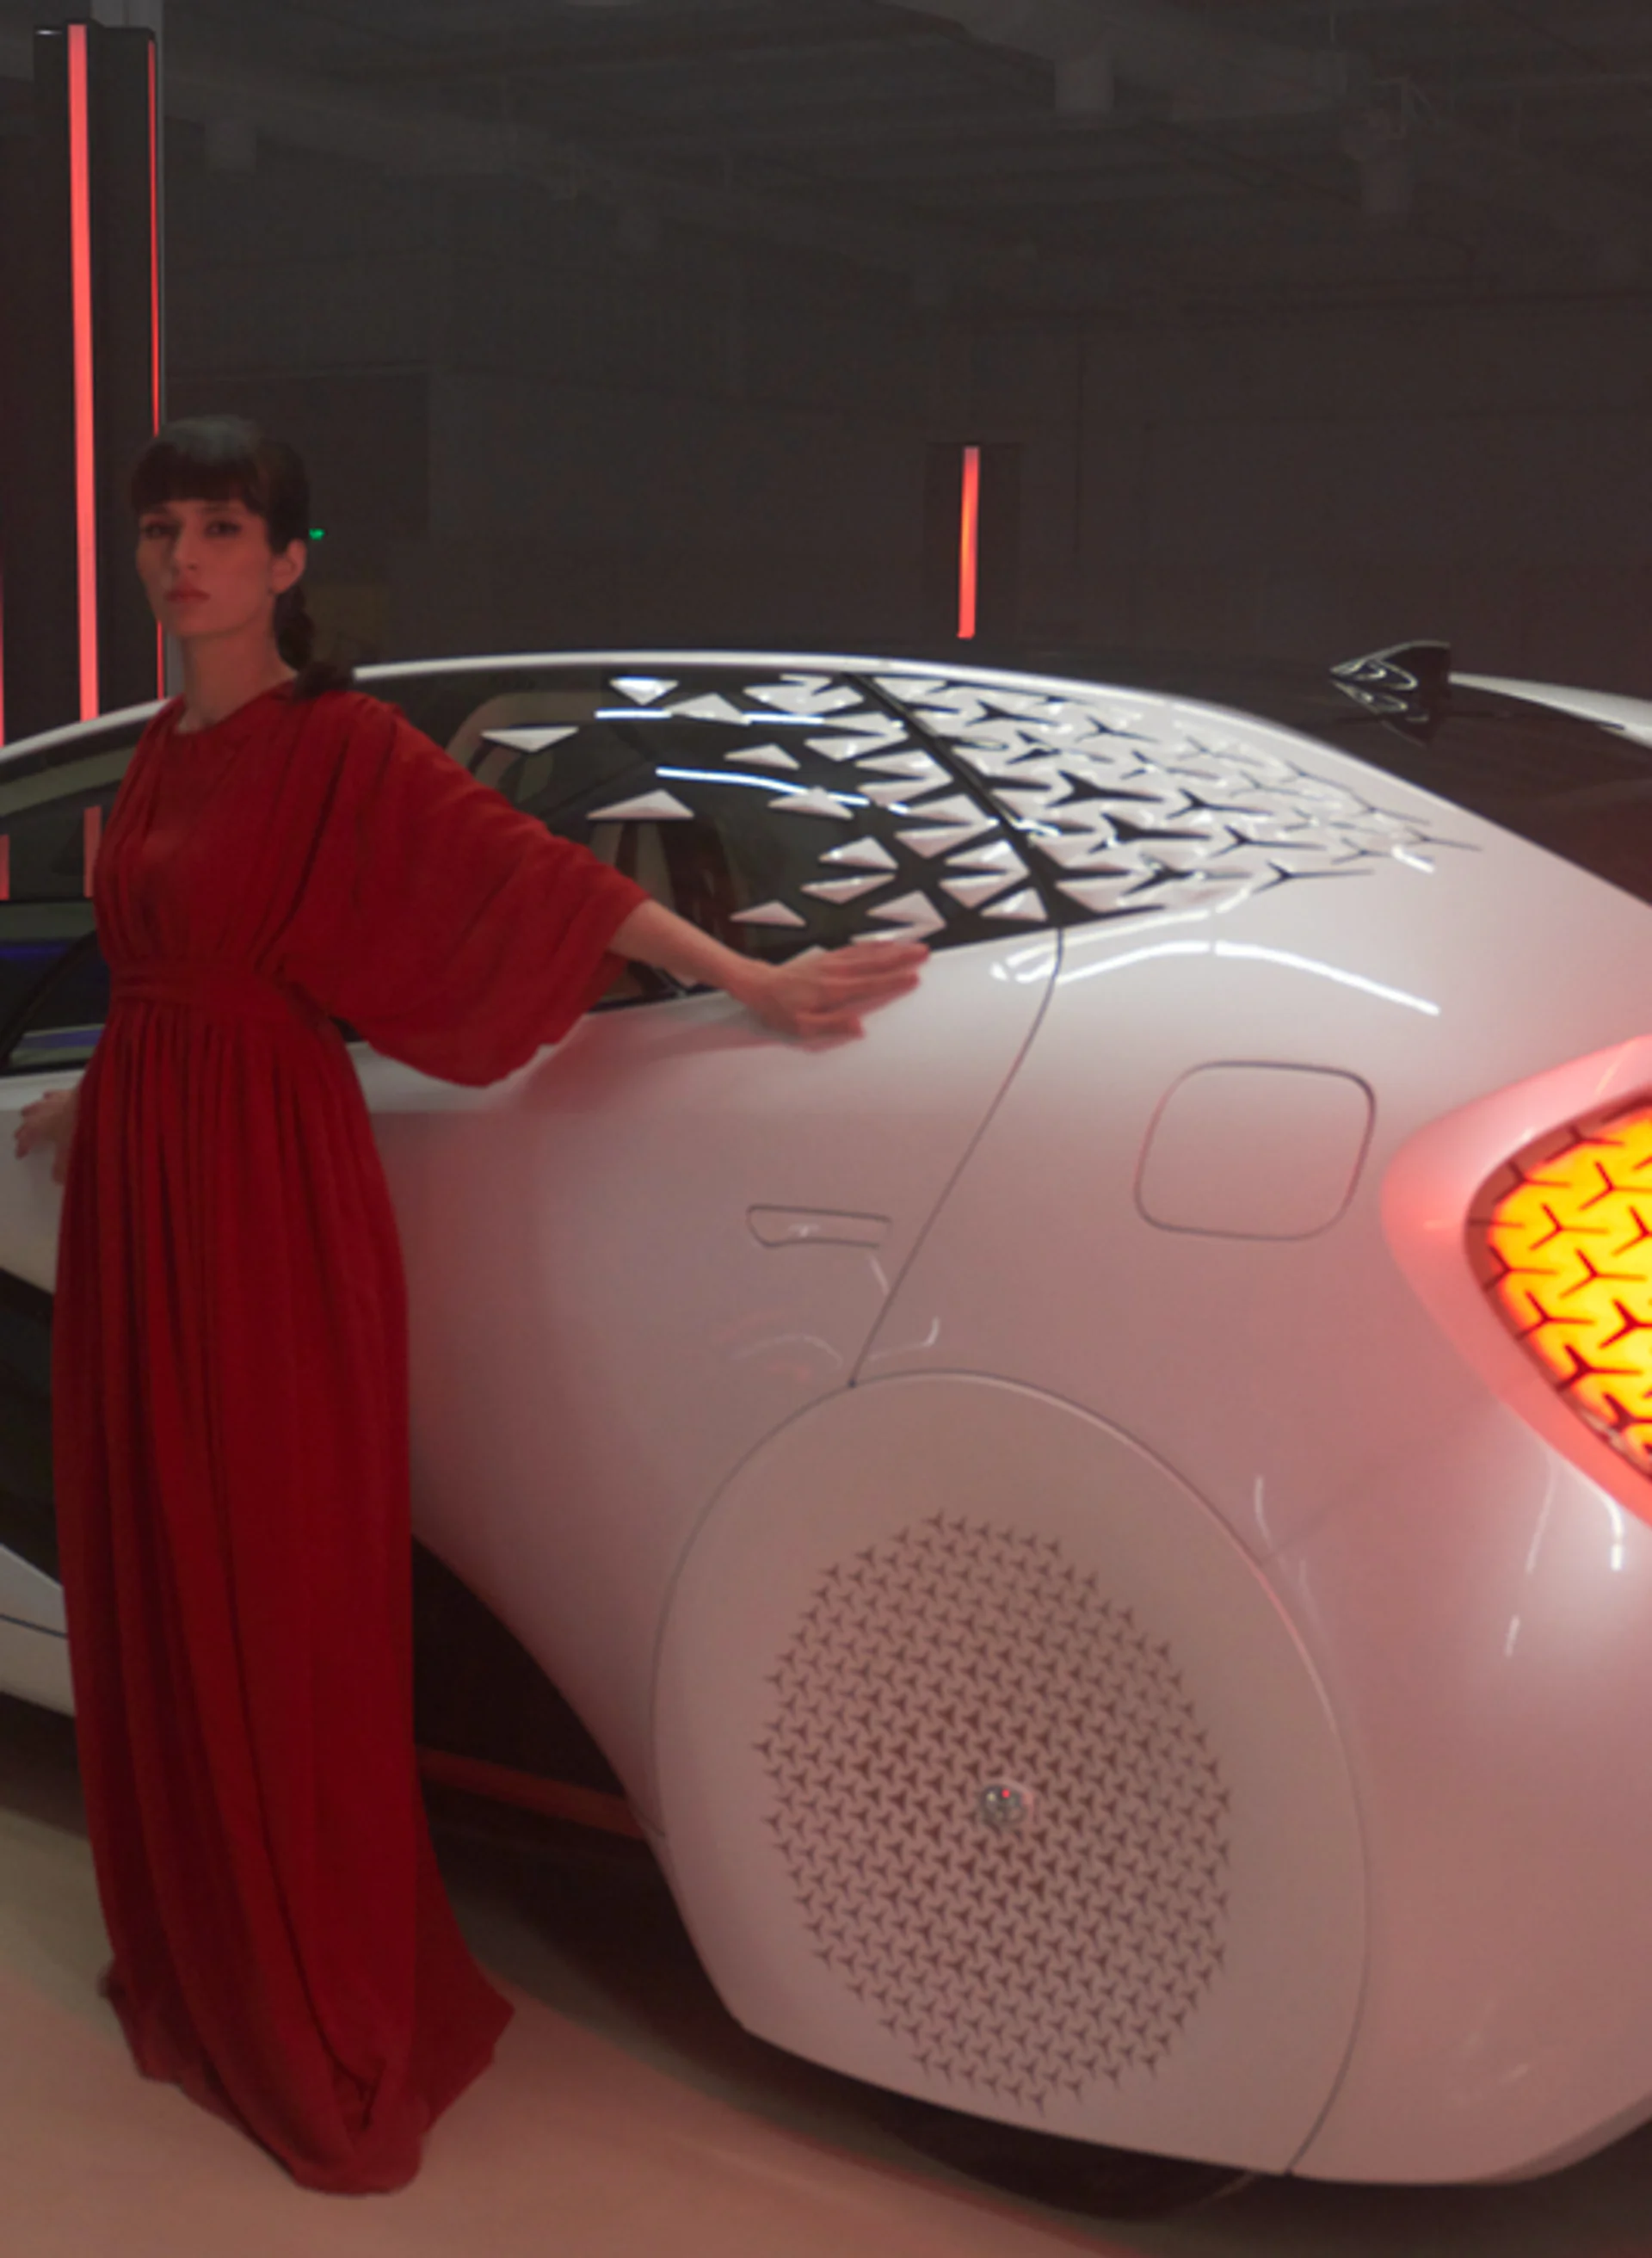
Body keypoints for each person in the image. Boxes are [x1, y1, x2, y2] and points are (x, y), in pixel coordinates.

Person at [13, 416, 925, 2194]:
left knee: (271, 1568)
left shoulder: (337, 742)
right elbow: (165, 967)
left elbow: (541, 879)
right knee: (160, 1557)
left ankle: (303, 1977)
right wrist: (99, 1091)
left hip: (261, 1188)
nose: (184, 559)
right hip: (145, 1177)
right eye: (160, 528)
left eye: (222, 529)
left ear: (290, 562)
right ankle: (203, 1939)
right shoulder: (156, 753)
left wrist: (749, 977)